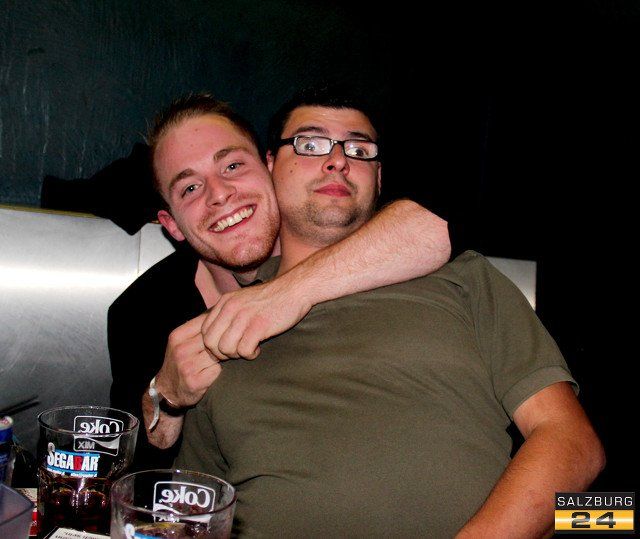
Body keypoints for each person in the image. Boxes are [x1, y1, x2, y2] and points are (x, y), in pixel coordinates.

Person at [174, 86, 605, 537]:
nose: (338, 160)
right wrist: (160, 398)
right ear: (269, 166)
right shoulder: (223, 328)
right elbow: (185, 516)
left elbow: (571, 442)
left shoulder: (463, 278)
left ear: (379, 178)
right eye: (310, 144)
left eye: (359, 150)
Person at [108, 94, 451, 469]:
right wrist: (166, 396)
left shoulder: (339, 240)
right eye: (190, 188)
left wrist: (286, 293)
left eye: (233, 166)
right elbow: (129, 473)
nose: (219, 194)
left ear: (269, 168)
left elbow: (435, 225)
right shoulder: (140, 312)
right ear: (172, 224)